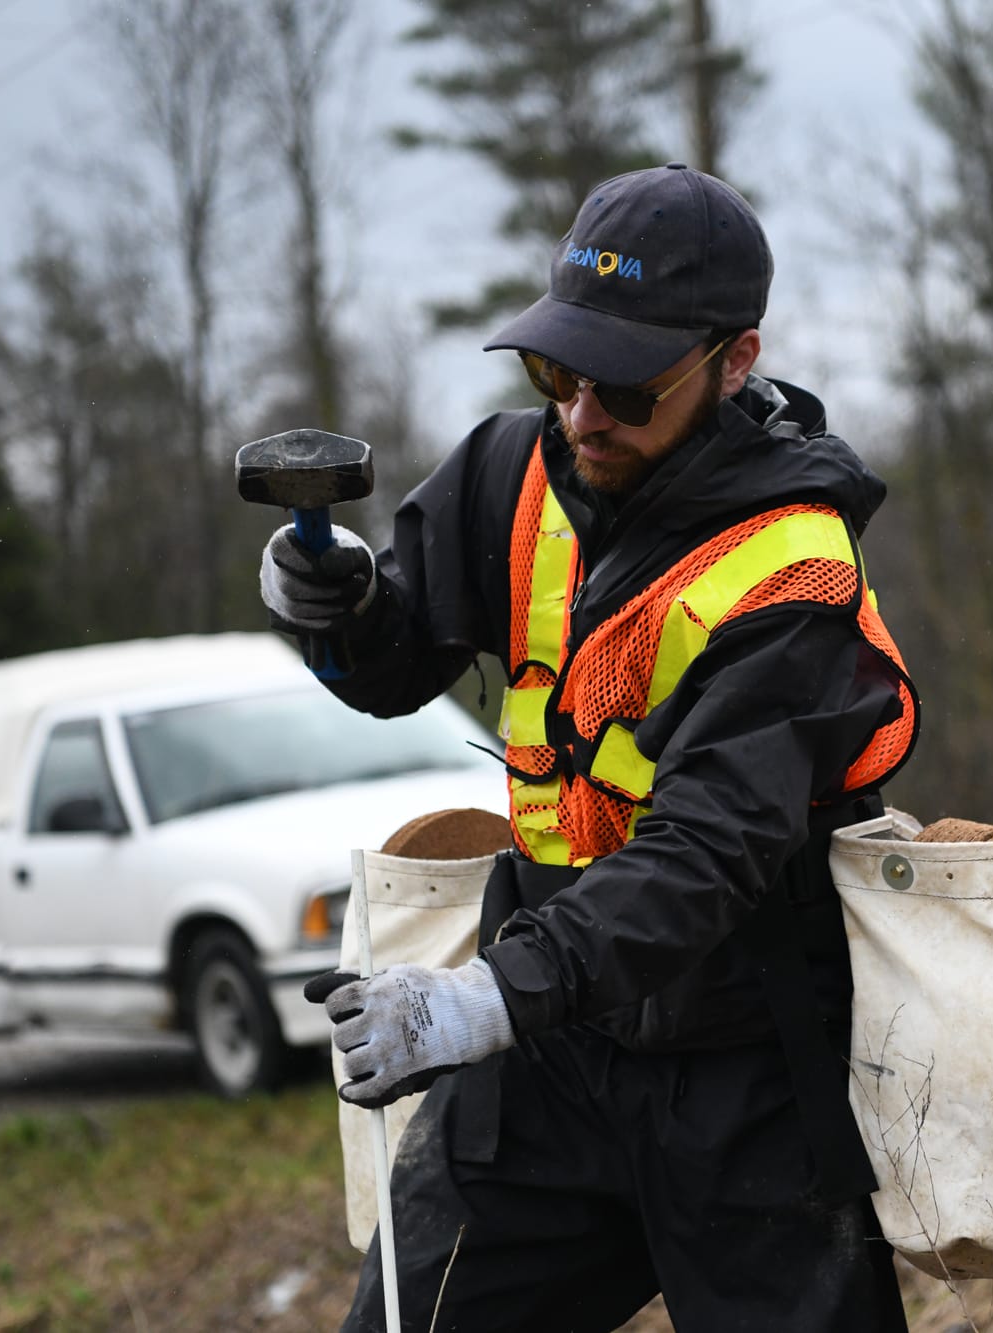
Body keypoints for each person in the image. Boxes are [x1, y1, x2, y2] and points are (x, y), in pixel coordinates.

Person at [261, 162, 920, 1331]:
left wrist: (479, 1001)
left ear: (735, 360)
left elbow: (703, 858)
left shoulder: (796, 565)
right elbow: (393, 664)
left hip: (745, 1072)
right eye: (557, 369)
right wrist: (339, 609)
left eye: (623, 385)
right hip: (548, 1068)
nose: (581, 415)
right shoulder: (511, 471)